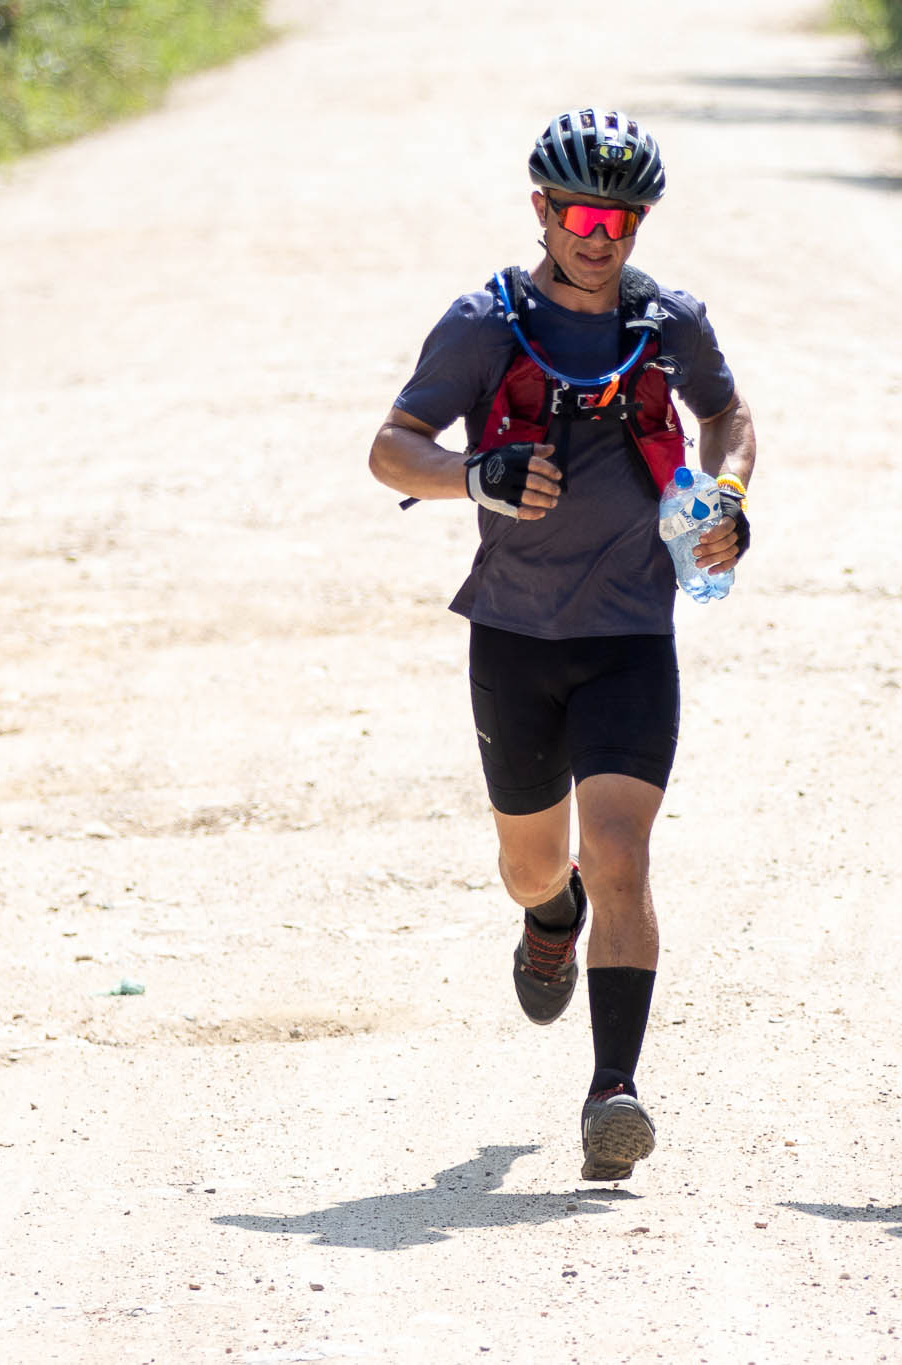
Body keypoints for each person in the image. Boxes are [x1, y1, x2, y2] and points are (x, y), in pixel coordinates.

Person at [369, 109, 755, 1182]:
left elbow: (728, 417)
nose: (603, 234)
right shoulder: (484, 323)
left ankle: (612, 1091)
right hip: (514, 636)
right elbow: (389, 450)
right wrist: (472, 475)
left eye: (624, 217)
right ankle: (550, 916)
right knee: (533, 863)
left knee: (623, 854)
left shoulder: (667, 321)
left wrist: (724, 492)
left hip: (633, 633)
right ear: (542, 210)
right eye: (583, 213)